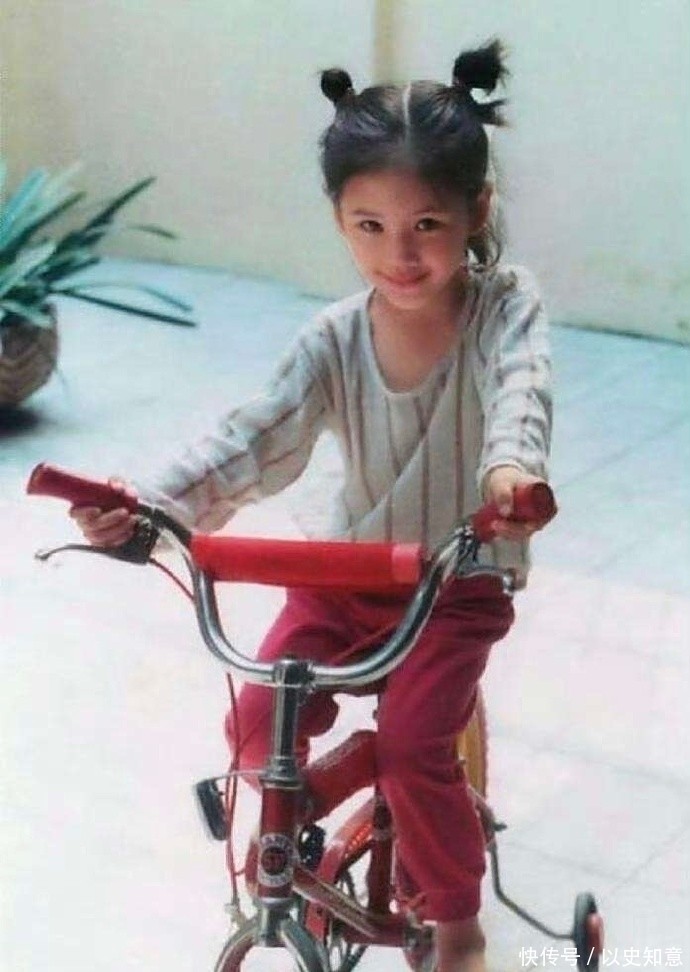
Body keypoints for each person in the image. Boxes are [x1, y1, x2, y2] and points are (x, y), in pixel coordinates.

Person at [71, 39, 552, 972]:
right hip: (346, 578)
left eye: (427, 224)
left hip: (452, 584)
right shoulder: (333, 337)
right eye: (369, 225)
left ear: (477, 211)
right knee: (255, 727)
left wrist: (510, 475)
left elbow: (520, 394)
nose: (399, 254)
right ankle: (350, 799)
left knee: (414, 746)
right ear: (339, 219)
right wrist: (150, 506)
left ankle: (459, 925)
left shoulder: (504, 310)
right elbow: (252, 438)